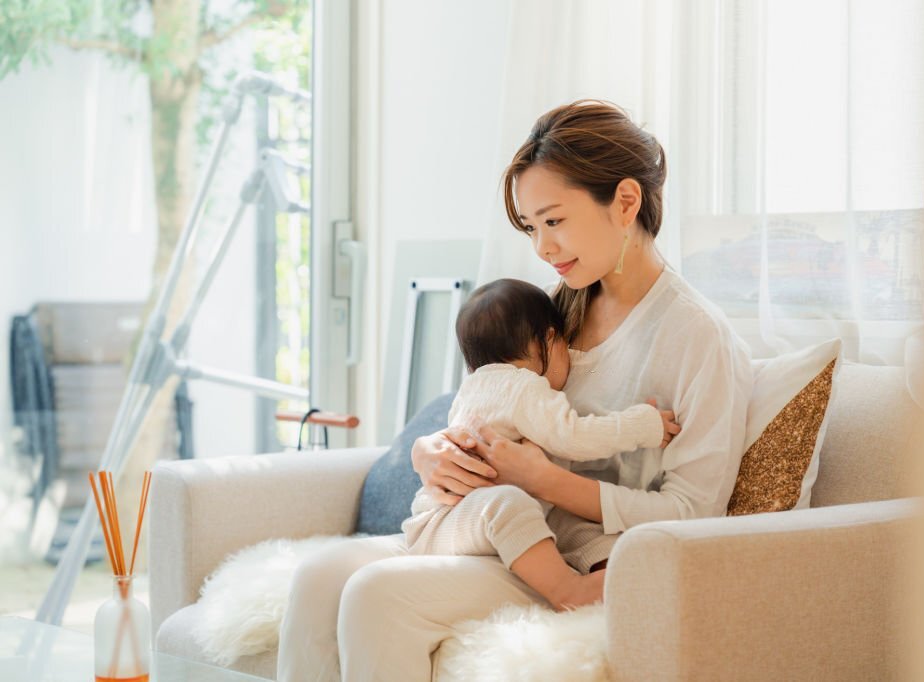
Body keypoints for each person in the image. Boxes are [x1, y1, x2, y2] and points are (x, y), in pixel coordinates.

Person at [276, 100, 753, 682]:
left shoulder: (696, 336)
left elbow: (691, 515)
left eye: (553, 220)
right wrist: (433, 455)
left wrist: (545, 480)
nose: (543, 248)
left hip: (578, 560)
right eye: (533, 228)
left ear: (625, 201)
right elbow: (486, 401)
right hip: (502, 530)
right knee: (319, 576)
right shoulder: (559, 309)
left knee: (379, 595)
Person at [401, 277, 680, 611]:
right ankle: (568, 590)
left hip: (459, 523)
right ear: (550, 340)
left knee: (573, 524)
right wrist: (642, 425)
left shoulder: (473, 388)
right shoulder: (523, 387)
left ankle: (614, 572)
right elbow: (575, 436)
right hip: (451, 520)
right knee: (508, 503)